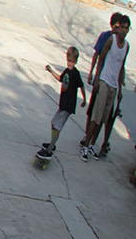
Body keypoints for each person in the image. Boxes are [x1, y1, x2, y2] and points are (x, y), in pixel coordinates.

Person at [80, 12, 128, 160]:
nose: (123, 31)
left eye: (127, 28)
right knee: (95, 115)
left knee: (104, 118)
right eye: (122, 27)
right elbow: (99, 57)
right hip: (104, 81)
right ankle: (86, 143)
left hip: (114, 85)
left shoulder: (126, 46)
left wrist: (120, 88)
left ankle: (94, 144)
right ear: (116, 27)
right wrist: (95, 77)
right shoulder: (108, 38)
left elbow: (122, 67)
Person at [37, 47, 86, 160]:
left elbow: (82, 85)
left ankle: (49, 151)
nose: (70, 63)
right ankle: (52, 144)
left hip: (68, 106)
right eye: (69, 60)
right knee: (54, 123)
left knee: (57, 126)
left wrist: (84, 99)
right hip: (63, 104)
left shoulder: (75, 73)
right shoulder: (67, 71)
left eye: (72, 61)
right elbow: (60, 78)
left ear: (76, 61)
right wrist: (50, 70)